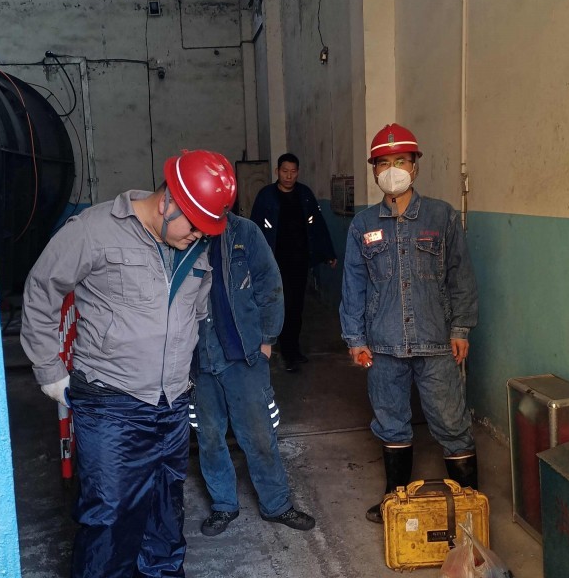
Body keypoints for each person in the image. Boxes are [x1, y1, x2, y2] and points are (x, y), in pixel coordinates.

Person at [21, 149, 237, 578]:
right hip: (112, 407)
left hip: (171, 404)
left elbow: (196, 314)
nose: (198, 236)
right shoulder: (94, 230)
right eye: (194, 224)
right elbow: (41, 290)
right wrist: (49, 369)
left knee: (165, 517)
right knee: (108, 527)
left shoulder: (195, 245)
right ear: (169, 201)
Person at [339, 124, 479, 522]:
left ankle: (470, 506)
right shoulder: (363, 225)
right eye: (383, 163)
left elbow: (460, 276)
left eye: (400, 161)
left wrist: (461, 329)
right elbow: (353, 285)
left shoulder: (442, 215)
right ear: (374, 172)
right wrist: (355, 339)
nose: (392, 170)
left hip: (436, 342)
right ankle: (395, 502)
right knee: (390, 423)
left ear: (415, 166)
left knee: (452, 423)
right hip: (383, 345)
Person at [190, 212, 315, 536]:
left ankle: (277, 504)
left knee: (259, 433)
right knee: (209, 436)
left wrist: (267, 340)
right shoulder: (181, 233)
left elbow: (269, 284)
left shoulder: (244, 233)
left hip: (243, 355)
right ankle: (223, 505)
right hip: (199, 356)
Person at [250, 153, 337, 371]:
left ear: (298, 172)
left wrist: (328, 253)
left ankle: (293, 348)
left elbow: (318, 225)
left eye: (293, 172)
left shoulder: (304, 195)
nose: (289, 176)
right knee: (283, 304)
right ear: (277, 171)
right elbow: (254, 229)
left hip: (299, 261)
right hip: (274, 263)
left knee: (296, 306)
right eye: (285, 171)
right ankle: (286, 349)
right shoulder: (266, 196)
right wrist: (252, 258)